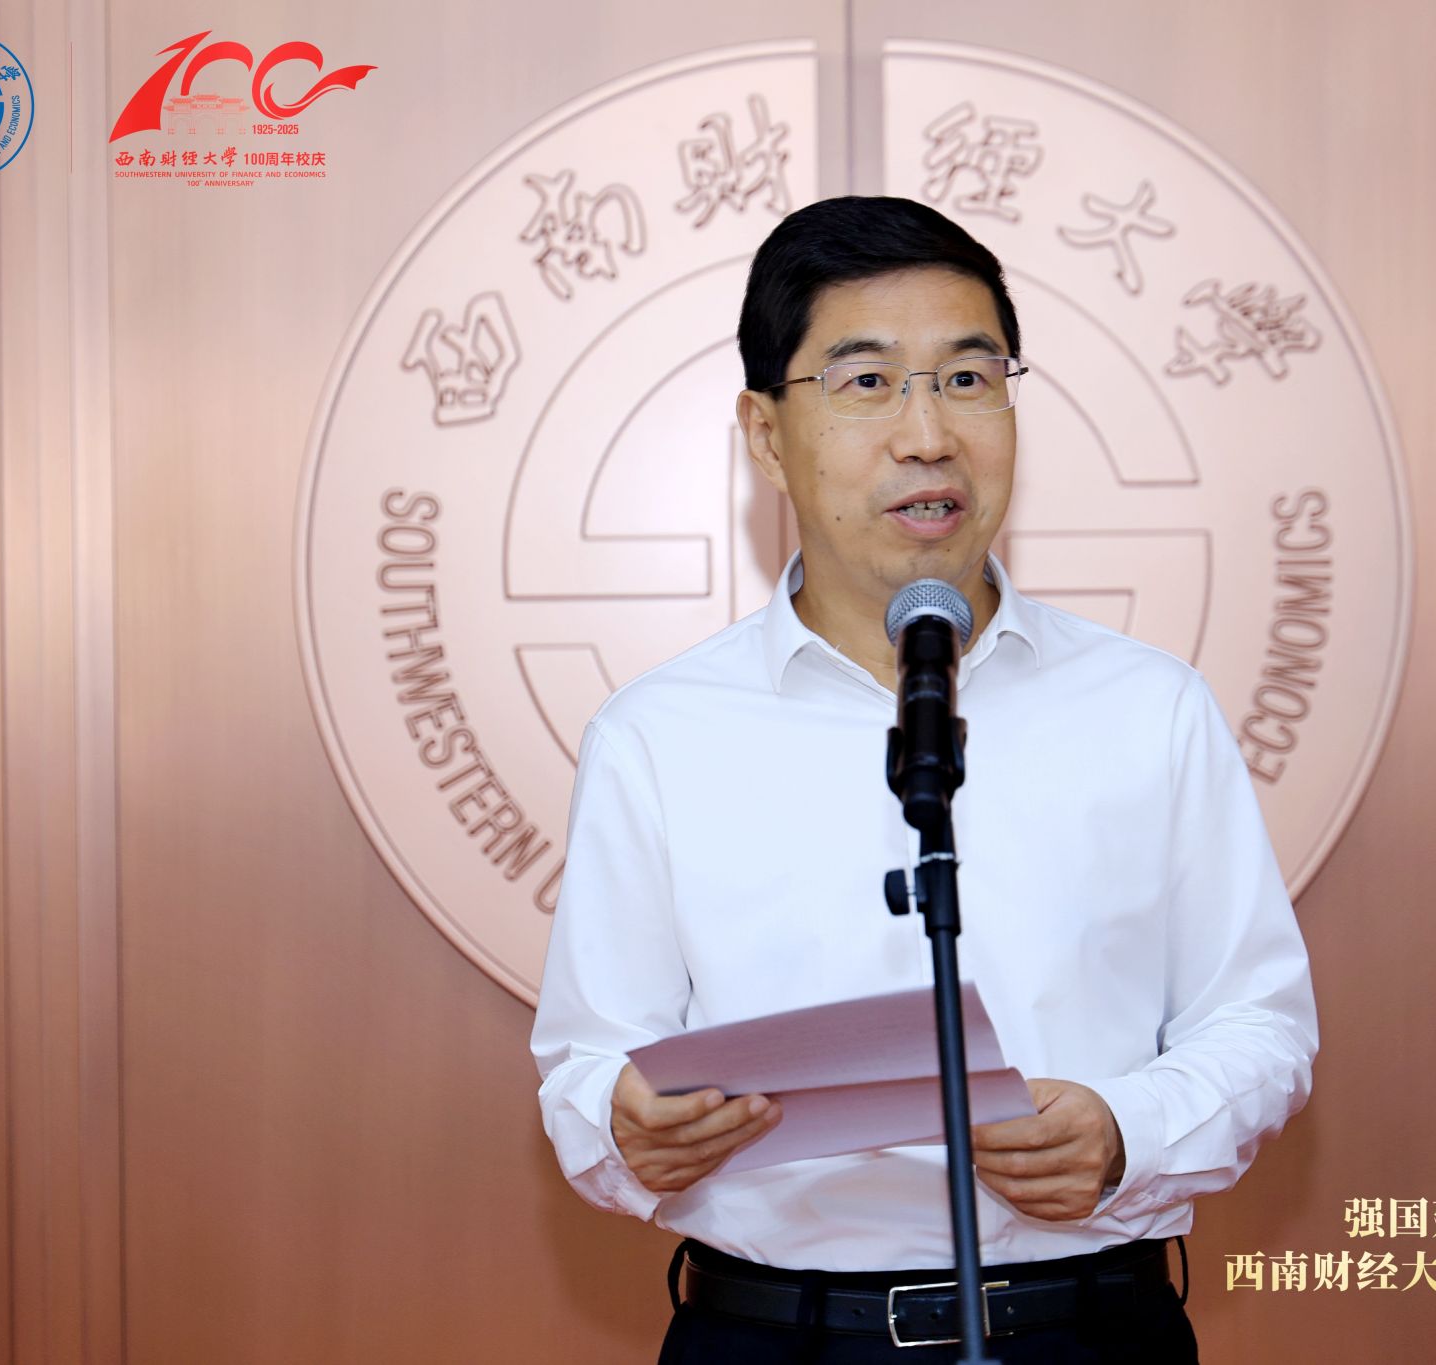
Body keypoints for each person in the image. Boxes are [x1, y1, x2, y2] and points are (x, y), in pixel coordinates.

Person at [530, 195, 1319, 1363]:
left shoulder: (1146, 707)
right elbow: (588, 1063)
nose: (927, 434)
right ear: (764, 434)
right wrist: (624, 1122)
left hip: (1084, 1330)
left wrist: (1126, 1129)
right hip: (774, 1338)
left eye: (966, 378)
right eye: (866, 383)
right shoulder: (658, 734)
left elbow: (1258, 1024)